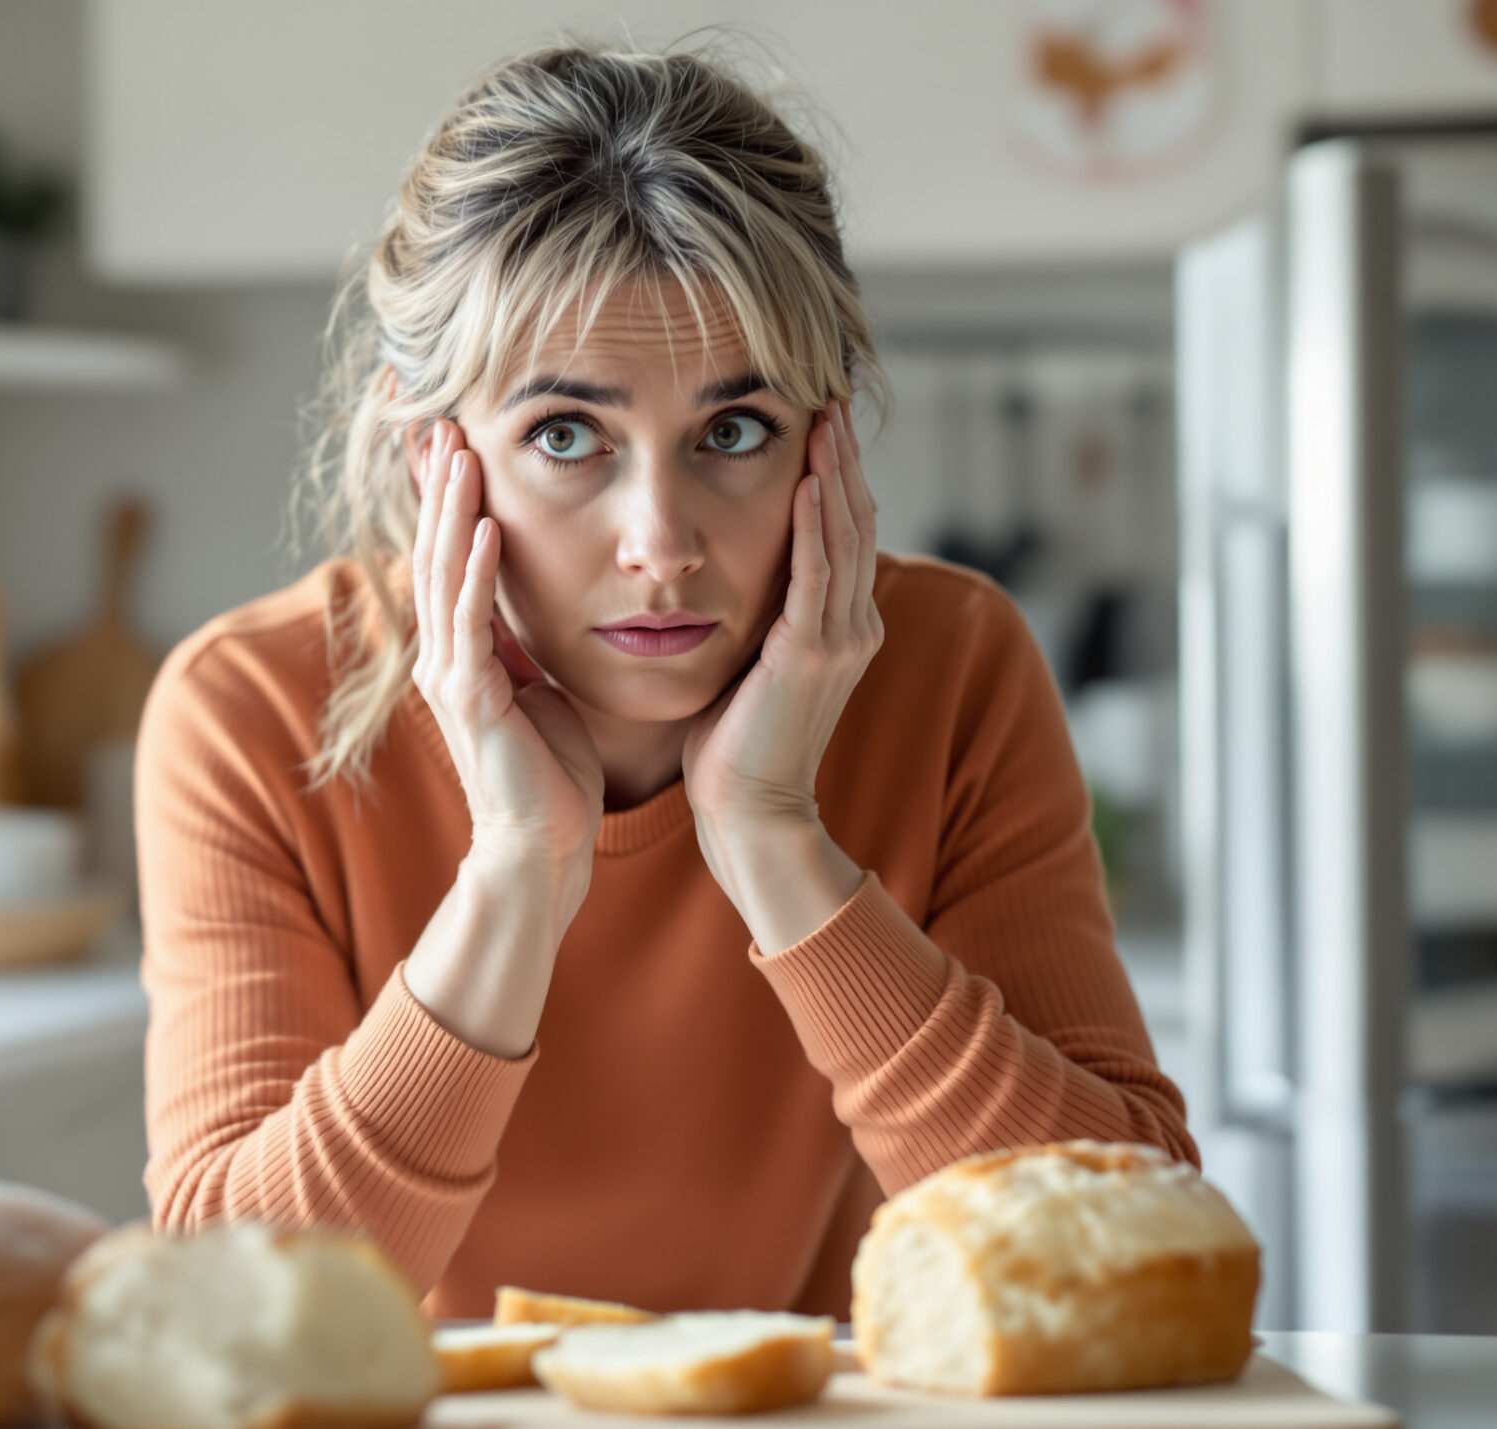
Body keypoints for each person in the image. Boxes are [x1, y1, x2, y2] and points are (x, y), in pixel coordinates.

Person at [136, 41, 1190, 1318]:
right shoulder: (248, 711)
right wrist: (520, 867)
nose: (662, 542)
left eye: (731, 432)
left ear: (824, 436)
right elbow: (227, 1310)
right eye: (566, 436)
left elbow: (1124, 1252)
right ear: (432, 452)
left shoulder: (955, 668)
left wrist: (772, 834)